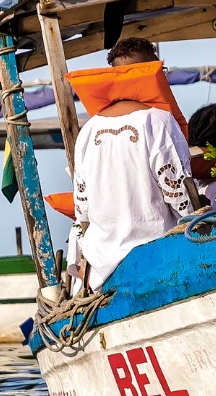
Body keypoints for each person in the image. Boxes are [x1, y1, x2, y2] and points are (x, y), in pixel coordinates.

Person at [65, 36, 195, 287]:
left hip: (101, 268)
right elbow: (182, 199)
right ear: (153, 73)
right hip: (158, 260)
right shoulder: (159, 121)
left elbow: (83, 210)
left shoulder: (89, 130)